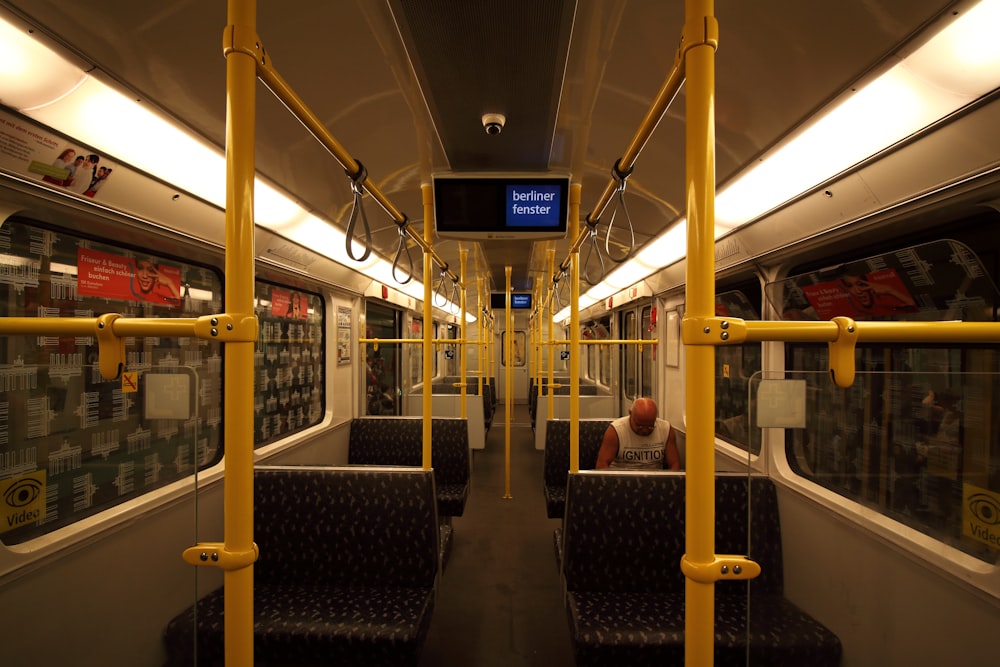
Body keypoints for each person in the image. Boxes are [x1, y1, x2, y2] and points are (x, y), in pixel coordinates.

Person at [596, 397, 681, 470]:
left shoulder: (665, 429)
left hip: (653, 480)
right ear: (630, 414)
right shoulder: (616, 431)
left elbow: (675, 464)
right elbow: (601, 464)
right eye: (639, 426)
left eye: (650, 426)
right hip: (622, 480)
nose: (645, 430)